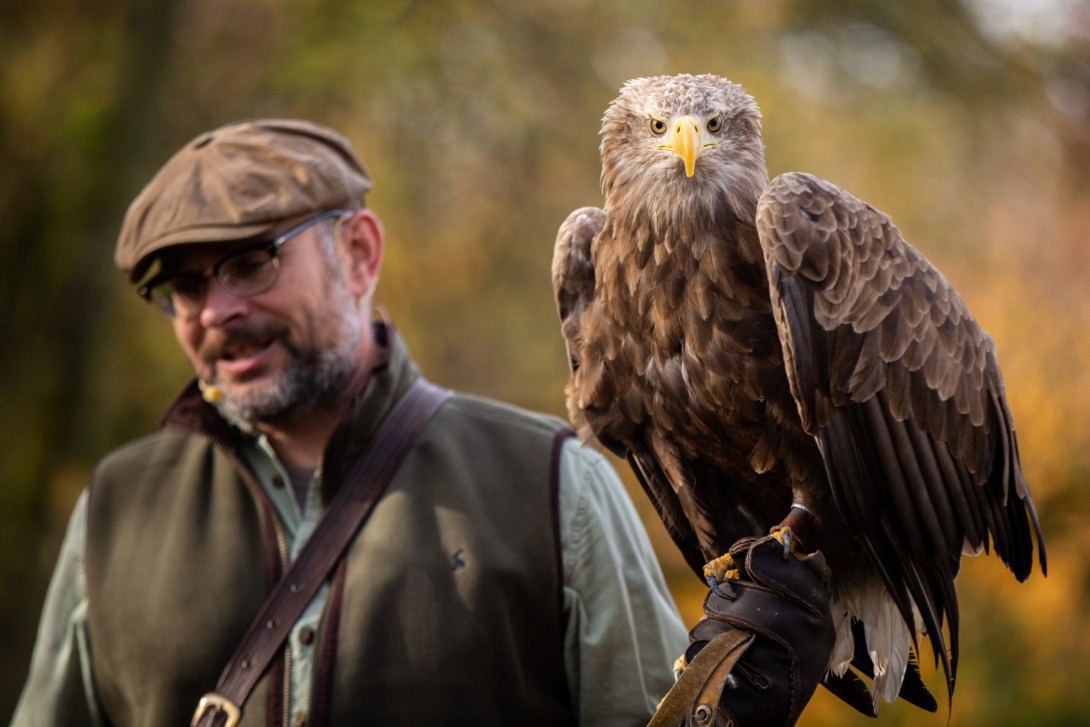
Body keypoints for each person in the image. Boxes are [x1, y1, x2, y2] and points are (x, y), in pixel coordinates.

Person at [11, 119, 836, 727]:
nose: (217, 310)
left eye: (250, 263)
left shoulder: (553, 483)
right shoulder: (114, 509)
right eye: (184, 287)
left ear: (360, 254)